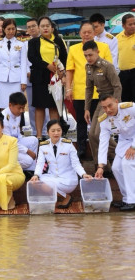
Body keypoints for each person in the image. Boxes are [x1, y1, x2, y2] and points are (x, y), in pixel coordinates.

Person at [65, 23, 113, 159]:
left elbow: (109, 68)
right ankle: (81, 149)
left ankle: (104, 151)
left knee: (102, 123)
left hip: (100, 92)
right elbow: (69, 70)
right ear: (80, 33)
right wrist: (68, 88)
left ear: (94, 33)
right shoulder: (73, 49)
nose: (87, 35)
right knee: (81, 121)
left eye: (89, 32)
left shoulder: (103, 47)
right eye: (84, 32)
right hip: (80, 92)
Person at [30, 119, 92, 208]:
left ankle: (64, 197)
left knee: (45, 185)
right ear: (48, 132)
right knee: (34, 182)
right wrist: (36, 175)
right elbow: (40, 163)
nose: (56, 133)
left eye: (58, 130)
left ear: (62, 131)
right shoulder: (43, 146)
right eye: (53, 131)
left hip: (67, 179)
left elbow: (76, 164)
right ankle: (63, 197)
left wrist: (83, 174)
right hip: (52, 176)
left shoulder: (68, 144)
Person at [83, 40, 121, 171]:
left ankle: (119, 152)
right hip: (100, 102)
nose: (88, 58)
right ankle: (101, 166)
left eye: (90, 55)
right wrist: (86, 109)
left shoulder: (107, 66)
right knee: (92, 135)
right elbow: (88, 88)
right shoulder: (87, 67)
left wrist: (115, 107)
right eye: (86, 56)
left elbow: (117, 86)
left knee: (98, 133)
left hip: (110, 101)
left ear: (97, 52)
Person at [28, 16, 67, 140]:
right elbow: (32, 58)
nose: (45, 28)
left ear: (52, 27)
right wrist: (47, 65)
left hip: (55, 78)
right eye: (42, 26)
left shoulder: (59, 40)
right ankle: (39, 134)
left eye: (47, 26)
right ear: (39, 28)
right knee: (39, 106)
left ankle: (54, 134)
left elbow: (65, 58)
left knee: (53, 106)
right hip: (40, 77)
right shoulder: (33, 42)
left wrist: (62, 72)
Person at [95, 93, 135, 211]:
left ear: (116, 101)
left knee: (127, 164)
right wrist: (101, 166)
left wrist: (133, 147)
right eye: (104, 107)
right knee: (116, 168)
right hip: (124, 143)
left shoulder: (130, 108)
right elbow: (103, 143)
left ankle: (133, 200)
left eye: (110, 105)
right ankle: (127, 198)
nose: (108, 110)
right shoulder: (104, 120)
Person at [0, 18, 27, 109]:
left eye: (13, 29)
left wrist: (23, 81)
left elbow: (23, 64)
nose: (11, 31)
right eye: (8, 29)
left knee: (17, 106)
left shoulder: (21, 44)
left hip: (17, 80)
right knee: (4, 106)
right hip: (2, 80)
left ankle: (17, 124)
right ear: (4, 29)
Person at [1, 92, 38, 173]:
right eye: (19, 108)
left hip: (16, 142)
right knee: (28, 160)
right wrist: (27, 151)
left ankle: (30, 169)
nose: (22, 110)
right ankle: (7, 166)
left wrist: (26, 150)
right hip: (6, 147)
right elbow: (9, 141)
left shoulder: (17, 114)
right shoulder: (4, 118)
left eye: (23, 108)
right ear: (10, 105)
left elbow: (18, 135)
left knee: (34, 140)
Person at [25, 18, 48, 137]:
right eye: (28, 27)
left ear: (38, 27)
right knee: (32, 107)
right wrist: (27, 72)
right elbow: (24, 61)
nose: (31, 29)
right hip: (30, 78)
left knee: (45, 106)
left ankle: (45, 131)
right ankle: (35, 131)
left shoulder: (47, 41)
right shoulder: (24, 44)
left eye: (33, 26)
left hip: (44, 77)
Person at [116, 13, 135, 102]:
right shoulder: (117, 38)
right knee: (124, 100)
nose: (133, 26)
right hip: (123, 74)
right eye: (130, 24)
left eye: (134, 24)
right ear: (123, 26)